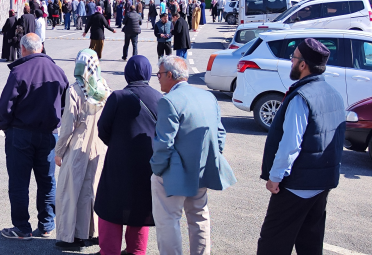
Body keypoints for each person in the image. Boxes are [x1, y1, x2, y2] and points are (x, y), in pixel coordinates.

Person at [257, 39, 345, 255]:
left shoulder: (301, 97)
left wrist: (275, 177)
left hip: (296, 185)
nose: (291, 62)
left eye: (293, 58)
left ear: (303, 64)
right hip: (321, 183)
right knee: (310, 243)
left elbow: (290, 145)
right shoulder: (333, 93)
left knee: (272, 243)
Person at [150, 56, 236, 255]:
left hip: (174, 172)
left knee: (168, 220)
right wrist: (211, 154)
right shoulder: (208, 97)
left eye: (160, 74)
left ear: (170, 75)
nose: (159, 79)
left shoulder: (169, 101)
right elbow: (220, 133)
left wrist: (157, 169)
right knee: (199, 216)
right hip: (202, 167)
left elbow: (164, 143)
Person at [0, 33, 69, 240]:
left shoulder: (19, 72)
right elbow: (65, 106)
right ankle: (47, 225)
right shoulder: (58, 71)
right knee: (47, 181)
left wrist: (6, 126)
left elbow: (5, 106)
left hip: (20, 133)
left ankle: (22, 227)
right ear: (42, 48)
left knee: (19, 182)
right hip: (48, 134)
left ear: (23, 49)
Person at [95, 55, 162, 255]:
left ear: (128, 73)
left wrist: (116, 144)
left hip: (119, 159)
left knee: (111, 205)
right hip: (148, 161)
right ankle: (136, 250)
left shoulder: (117, 97)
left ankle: (110, 250)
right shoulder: (160, 98)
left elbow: (103, 128)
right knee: (140, 206)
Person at [54, 49, 111, 250]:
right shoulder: (104, 87)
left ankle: (70, 235)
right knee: (92, 190)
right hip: (98, 146)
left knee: (70, 191)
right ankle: (92, 233)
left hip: (78, 145)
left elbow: (68, 126)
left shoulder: (76, 90)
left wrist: (59, 151)